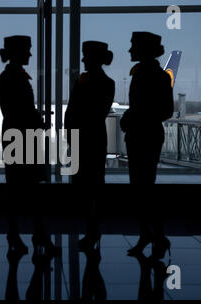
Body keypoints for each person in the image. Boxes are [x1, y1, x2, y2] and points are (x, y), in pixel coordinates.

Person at [0, 35, 60, 259]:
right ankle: (37, 234)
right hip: (23, 139)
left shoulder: (6, 77)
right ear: (18, 53)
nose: (30, 54)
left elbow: (14, 111)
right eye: (27, 50)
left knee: (15, 189)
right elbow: (21, 111)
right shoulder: (17, 79)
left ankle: (16, 234)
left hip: (14, 137)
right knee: (32, 191)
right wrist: (40, 123)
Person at [121, 32, 173, 258]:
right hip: (145, 134)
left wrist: (135, 117)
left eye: (134, 47)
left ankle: (154, 235)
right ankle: (153, 235)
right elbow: (165, 111)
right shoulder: (155, 75)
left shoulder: (150, 76)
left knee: (143, 189)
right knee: (143, 188)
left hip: (144, 135)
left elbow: (164, 111)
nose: (130, 51)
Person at [64, 41, 115, 252]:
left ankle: (92, 230)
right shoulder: (107, 83)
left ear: (93, 59)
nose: (83, 60)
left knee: (88, 188)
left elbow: (74, 111)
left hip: (85, 139)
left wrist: (70, 136)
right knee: (94, 185)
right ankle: (93, 230)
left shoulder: (85, 82)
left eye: (85, 56)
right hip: (95, 138)